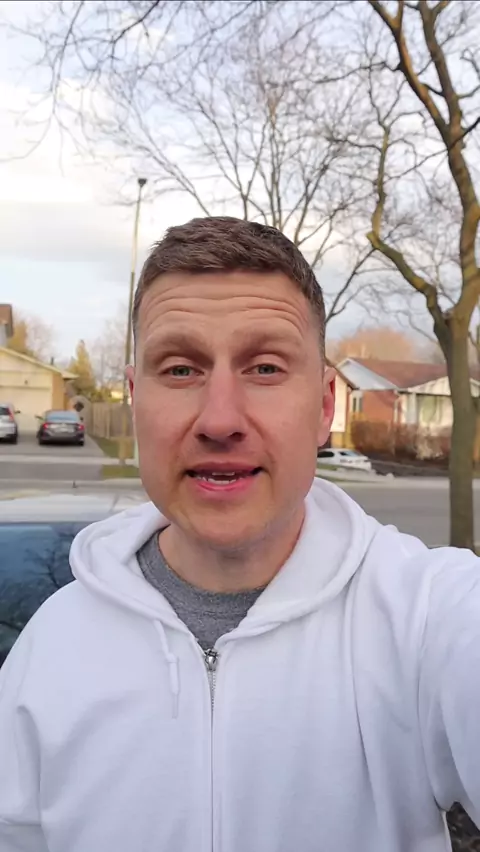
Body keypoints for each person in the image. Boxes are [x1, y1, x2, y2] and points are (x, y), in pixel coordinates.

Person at [0, 217, 479, 852]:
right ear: (136, 398)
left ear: (325, 406)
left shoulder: (427, 617)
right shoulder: (51, 647)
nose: (220, 419)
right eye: (180, 370)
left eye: (265, 367)